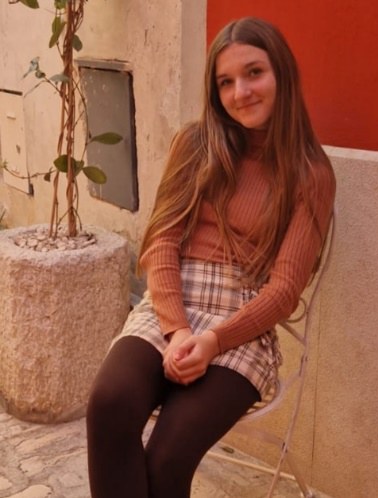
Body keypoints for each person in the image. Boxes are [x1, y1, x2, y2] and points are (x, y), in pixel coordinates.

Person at [86, 15, 335, 498]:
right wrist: (179, 330)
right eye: (225, 82)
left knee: (168, 457)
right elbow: (161, 241)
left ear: (282, 73)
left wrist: (213, 341)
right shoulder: (195, 144)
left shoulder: (311, 174)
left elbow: (285, 289)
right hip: (171, 303)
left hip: (242, 321)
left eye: (254, 73)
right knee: (109, 404)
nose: (241, 92)